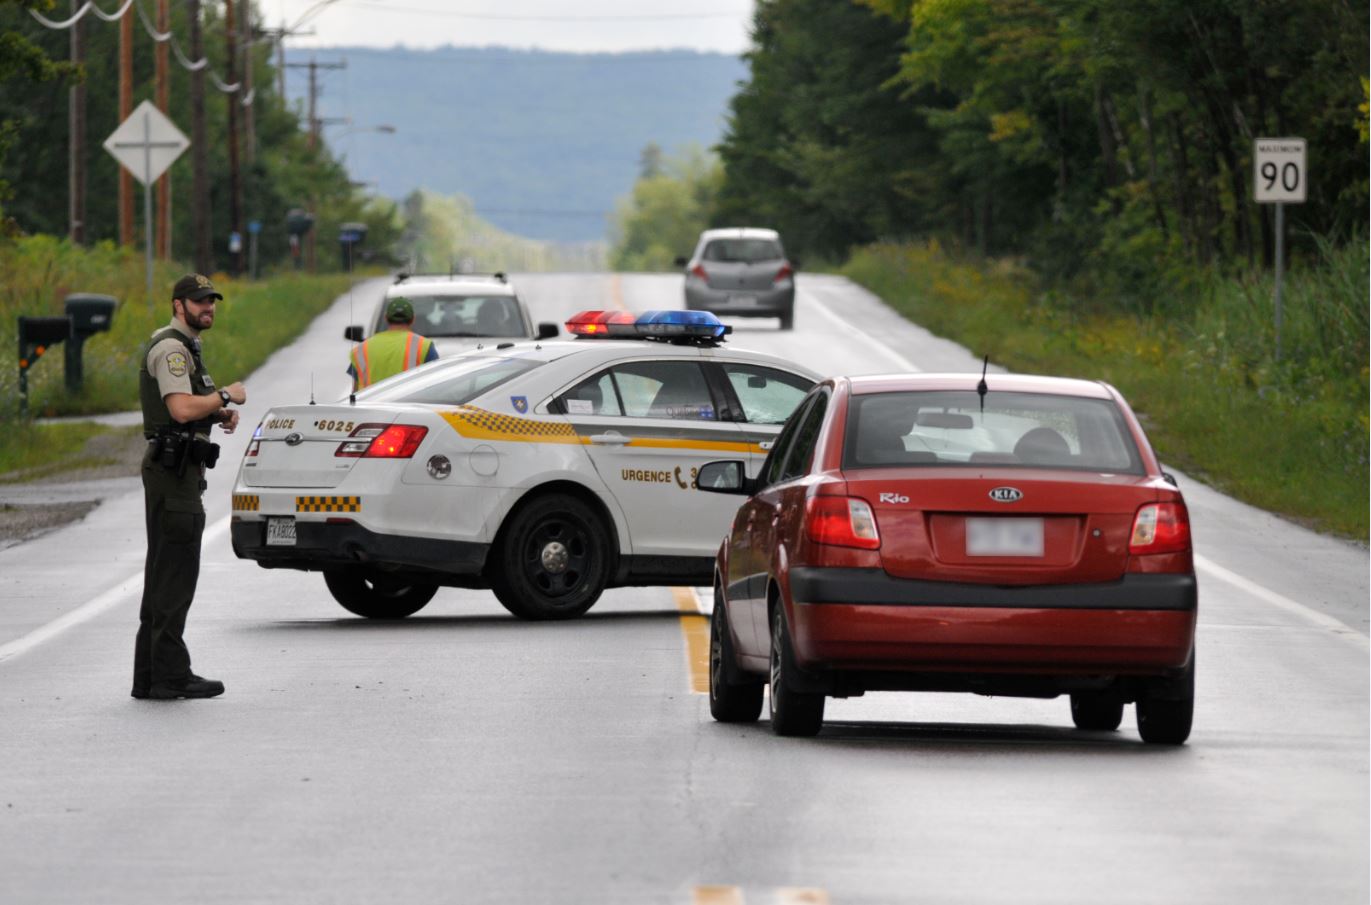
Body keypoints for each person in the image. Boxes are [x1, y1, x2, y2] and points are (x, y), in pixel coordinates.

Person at [133, 273, 246, 701]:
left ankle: (149, 677)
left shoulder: (186, 348)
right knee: (176, 574)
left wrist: (215, 416)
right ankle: (170, 676)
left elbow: (185, 408)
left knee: (164, 572)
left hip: (177, 469)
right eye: (199, 302)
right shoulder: (171, 349)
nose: (208, 308)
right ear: (178, 305)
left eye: (212, 301)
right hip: (173, 473)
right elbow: (180, 409)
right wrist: (225, 397)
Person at [347, 296, 438, 390]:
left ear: (386, 318)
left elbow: (355, 392)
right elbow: (435, 386)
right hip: (406, 404)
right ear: (413, 319)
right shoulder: (424, 346)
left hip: (369, 404)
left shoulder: (361, 349)